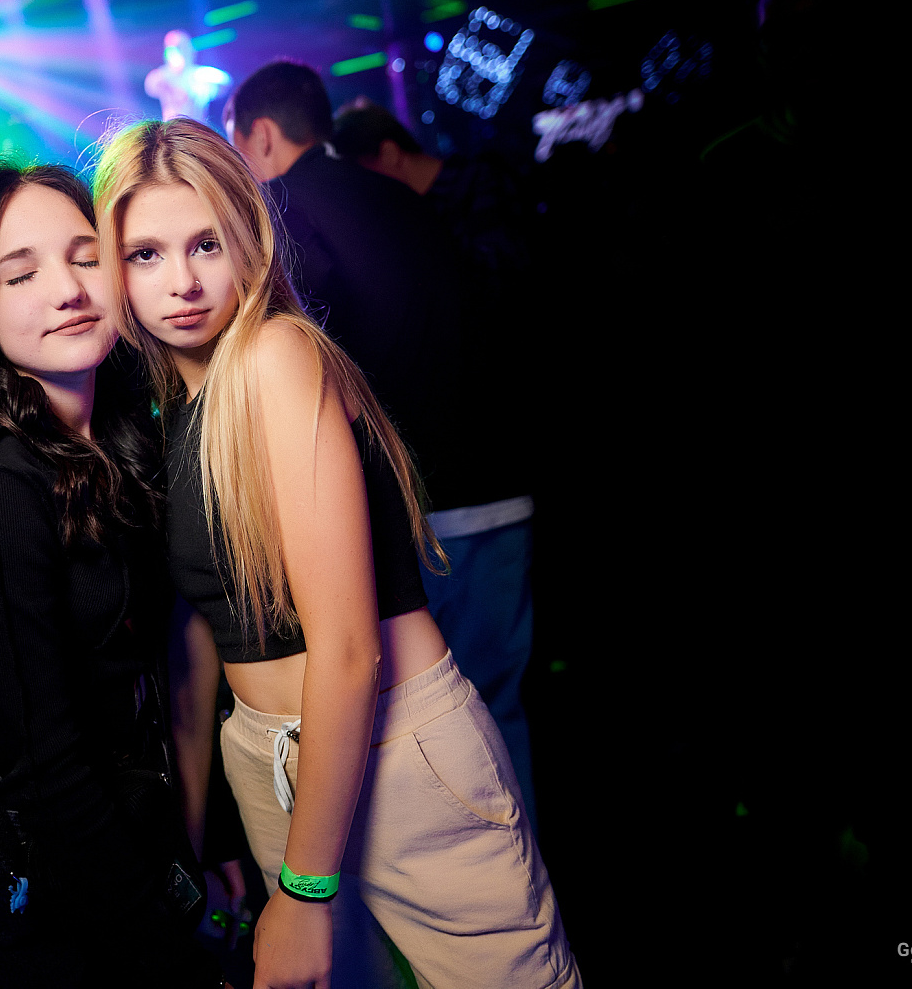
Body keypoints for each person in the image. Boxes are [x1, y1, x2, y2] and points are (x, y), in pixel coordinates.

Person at [95, 117, 578, 989]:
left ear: (246, 239)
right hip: (267, 759)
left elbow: (350, 649)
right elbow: (201, 639)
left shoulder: (277, 355)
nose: (182, 282)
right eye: (146, 255)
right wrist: (196, 837)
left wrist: (304, 891)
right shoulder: (177, 407)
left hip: (396, 747)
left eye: (206, 244)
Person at [0, 160, 226, 988]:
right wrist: (172, 961)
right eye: (22, 274)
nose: (69, 291)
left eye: (87, 258)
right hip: (5, 858)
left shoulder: (113, 436)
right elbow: (46, 777)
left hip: (103, 818)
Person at [330, 98, 541, 829]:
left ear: (387, 155)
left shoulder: (468, 206)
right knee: (481, 705)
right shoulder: (422, 231)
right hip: (473, 490)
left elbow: (513, 308)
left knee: (480, 705)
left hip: (478, 488)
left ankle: (512, 866)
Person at [145, 29, 232, 125]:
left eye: (180, 48)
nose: (175, 53)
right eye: (171, 49)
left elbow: (226, 82)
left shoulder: (199, 74)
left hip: (196, 128)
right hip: (171, 128)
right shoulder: (161, 76)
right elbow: (150, 87)